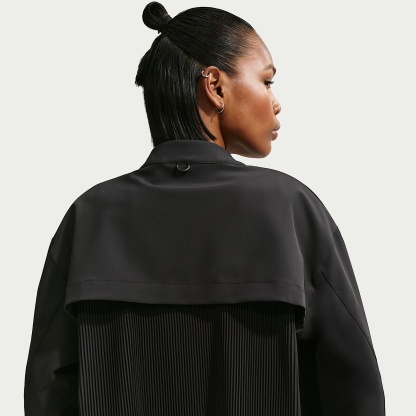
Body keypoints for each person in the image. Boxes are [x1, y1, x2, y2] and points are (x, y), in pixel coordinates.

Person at [24, 2, 385, 415]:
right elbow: (354, 387)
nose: (276, 103)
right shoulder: (290, 211)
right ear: (214, 86)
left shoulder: (89, 217)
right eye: (267, 81)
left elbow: (48, 390)